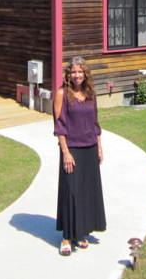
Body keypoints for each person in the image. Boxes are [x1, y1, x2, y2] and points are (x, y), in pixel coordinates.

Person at [54, 56, 106, 256]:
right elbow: (60, 125)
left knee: (85, 192)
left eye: (80, 72)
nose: (77, 75)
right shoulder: (62, 94)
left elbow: (95, 122)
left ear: (85, 74)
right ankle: (67, 237)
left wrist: (99, 147)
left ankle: (81, 232)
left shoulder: (90, 93)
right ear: (69, 74)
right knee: (71, 191)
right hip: (72, 149)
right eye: (73, 72)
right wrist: (65, 152)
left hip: (90, 147)